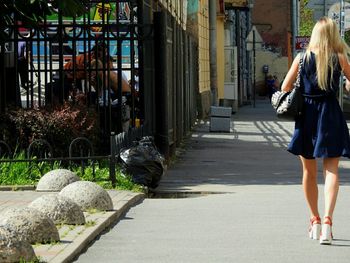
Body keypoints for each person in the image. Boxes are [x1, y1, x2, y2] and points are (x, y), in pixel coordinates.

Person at [281, 17, 350, 245]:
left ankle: (315, 220)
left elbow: (285, 87)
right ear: (332, 35)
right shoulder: (339, 58)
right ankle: (328, 224)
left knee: (309, 172)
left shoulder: (302, 58)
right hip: (330, 115)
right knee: (331, 171)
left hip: (307, 116)